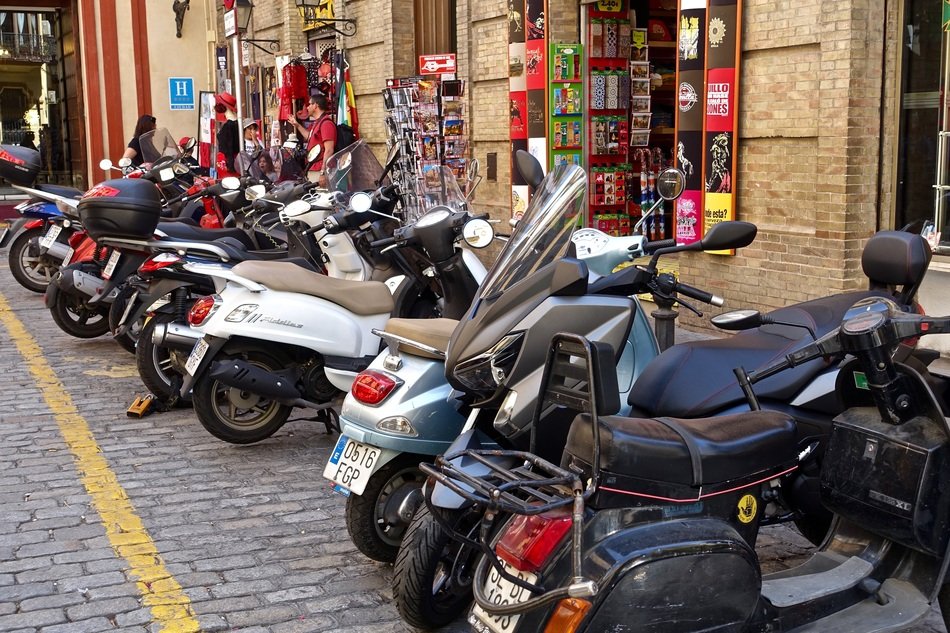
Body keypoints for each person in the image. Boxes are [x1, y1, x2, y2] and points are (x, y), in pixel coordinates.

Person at [292, 93, 336, 185]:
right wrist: (297, 125)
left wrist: (323, 172)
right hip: (313, 168)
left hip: (319, 170)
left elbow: (329, 150)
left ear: (316, 105)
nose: (307, 107)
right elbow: (310, 137)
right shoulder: (317, 123)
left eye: (309, 104)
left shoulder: (326, 124)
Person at [214, 92, 239, 176]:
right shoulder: (237, 123)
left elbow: (229, 148)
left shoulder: (228, 126)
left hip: (229, 164)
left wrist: (230, 166)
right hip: (235, 161)